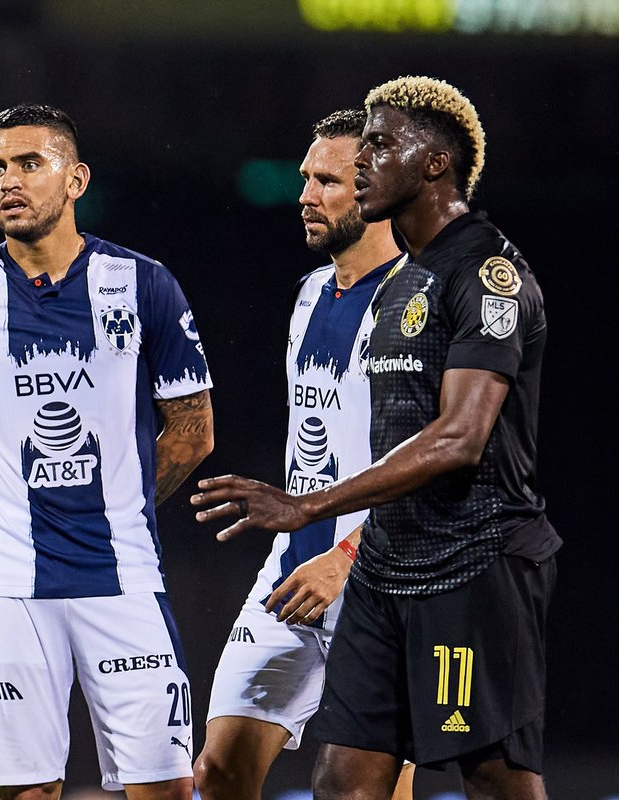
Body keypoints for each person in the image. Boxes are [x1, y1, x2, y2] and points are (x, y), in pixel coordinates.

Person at [190, 76, 560, 800]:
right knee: (264, 774)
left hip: (438, 565)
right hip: (316, 566)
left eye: (340, 172)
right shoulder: (320, 295)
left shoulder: (464, 280)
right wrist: (301, 526)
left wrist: (338, 542)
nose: (315, 191)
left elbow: (455, 441)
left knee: (488, 776)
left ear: (425, 167)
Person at [0, 104, 214, 800]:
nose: (9, 181)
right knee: (26, 792)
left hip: (123, 579)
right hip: (11, 589)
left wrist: (116, 508)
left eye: (29, 163)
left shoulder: (143, 284)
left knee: (164, 787)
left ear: (76, 179)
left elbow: (193, 431)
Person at [192, 109, 412, 800]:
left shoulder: (420, 307)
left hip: (384, 586)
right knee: (219, 771)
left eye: (326, 181)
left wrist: (347, 559)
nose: (305, 196)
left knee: (358, 790)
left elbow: (431, 465)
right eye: (304, 179)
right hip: (291, 574)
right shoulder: (310, 295)